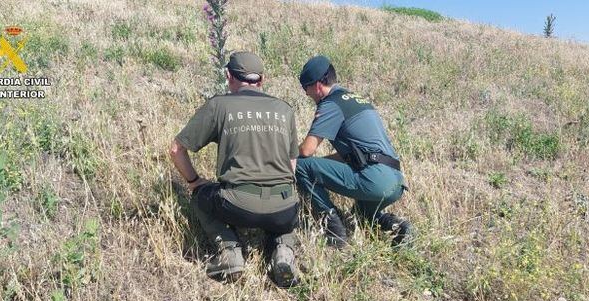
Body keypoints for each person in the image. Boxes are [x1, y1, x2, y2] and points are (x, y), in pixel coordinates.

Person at [169, 51, 300, 287]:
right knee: (285, 206)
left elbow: (177, 149)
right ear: (262, 80)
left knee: (201, 196)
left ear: (229, 76)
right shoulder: (284, 109)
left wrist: (194, 182)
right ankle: (283, 251)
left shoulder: (220, 105)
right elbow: (292, 166)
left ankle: (230, 253)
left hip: (238, 204)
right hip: (285, 207)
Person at [295, 55, 413, 248]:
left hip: (375, 179)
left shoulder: (331, 104)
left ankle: (334, 231)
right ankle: (398, 226)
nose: (307, 94)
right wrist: (321, 167)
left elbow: (307, 150)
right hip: (395, 179)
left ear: (317, 85)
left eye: (305, 88)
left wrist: (290, 161)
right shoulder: (357, 100)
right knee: (362, 218)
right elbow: (350, 153)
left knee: (300, 165)